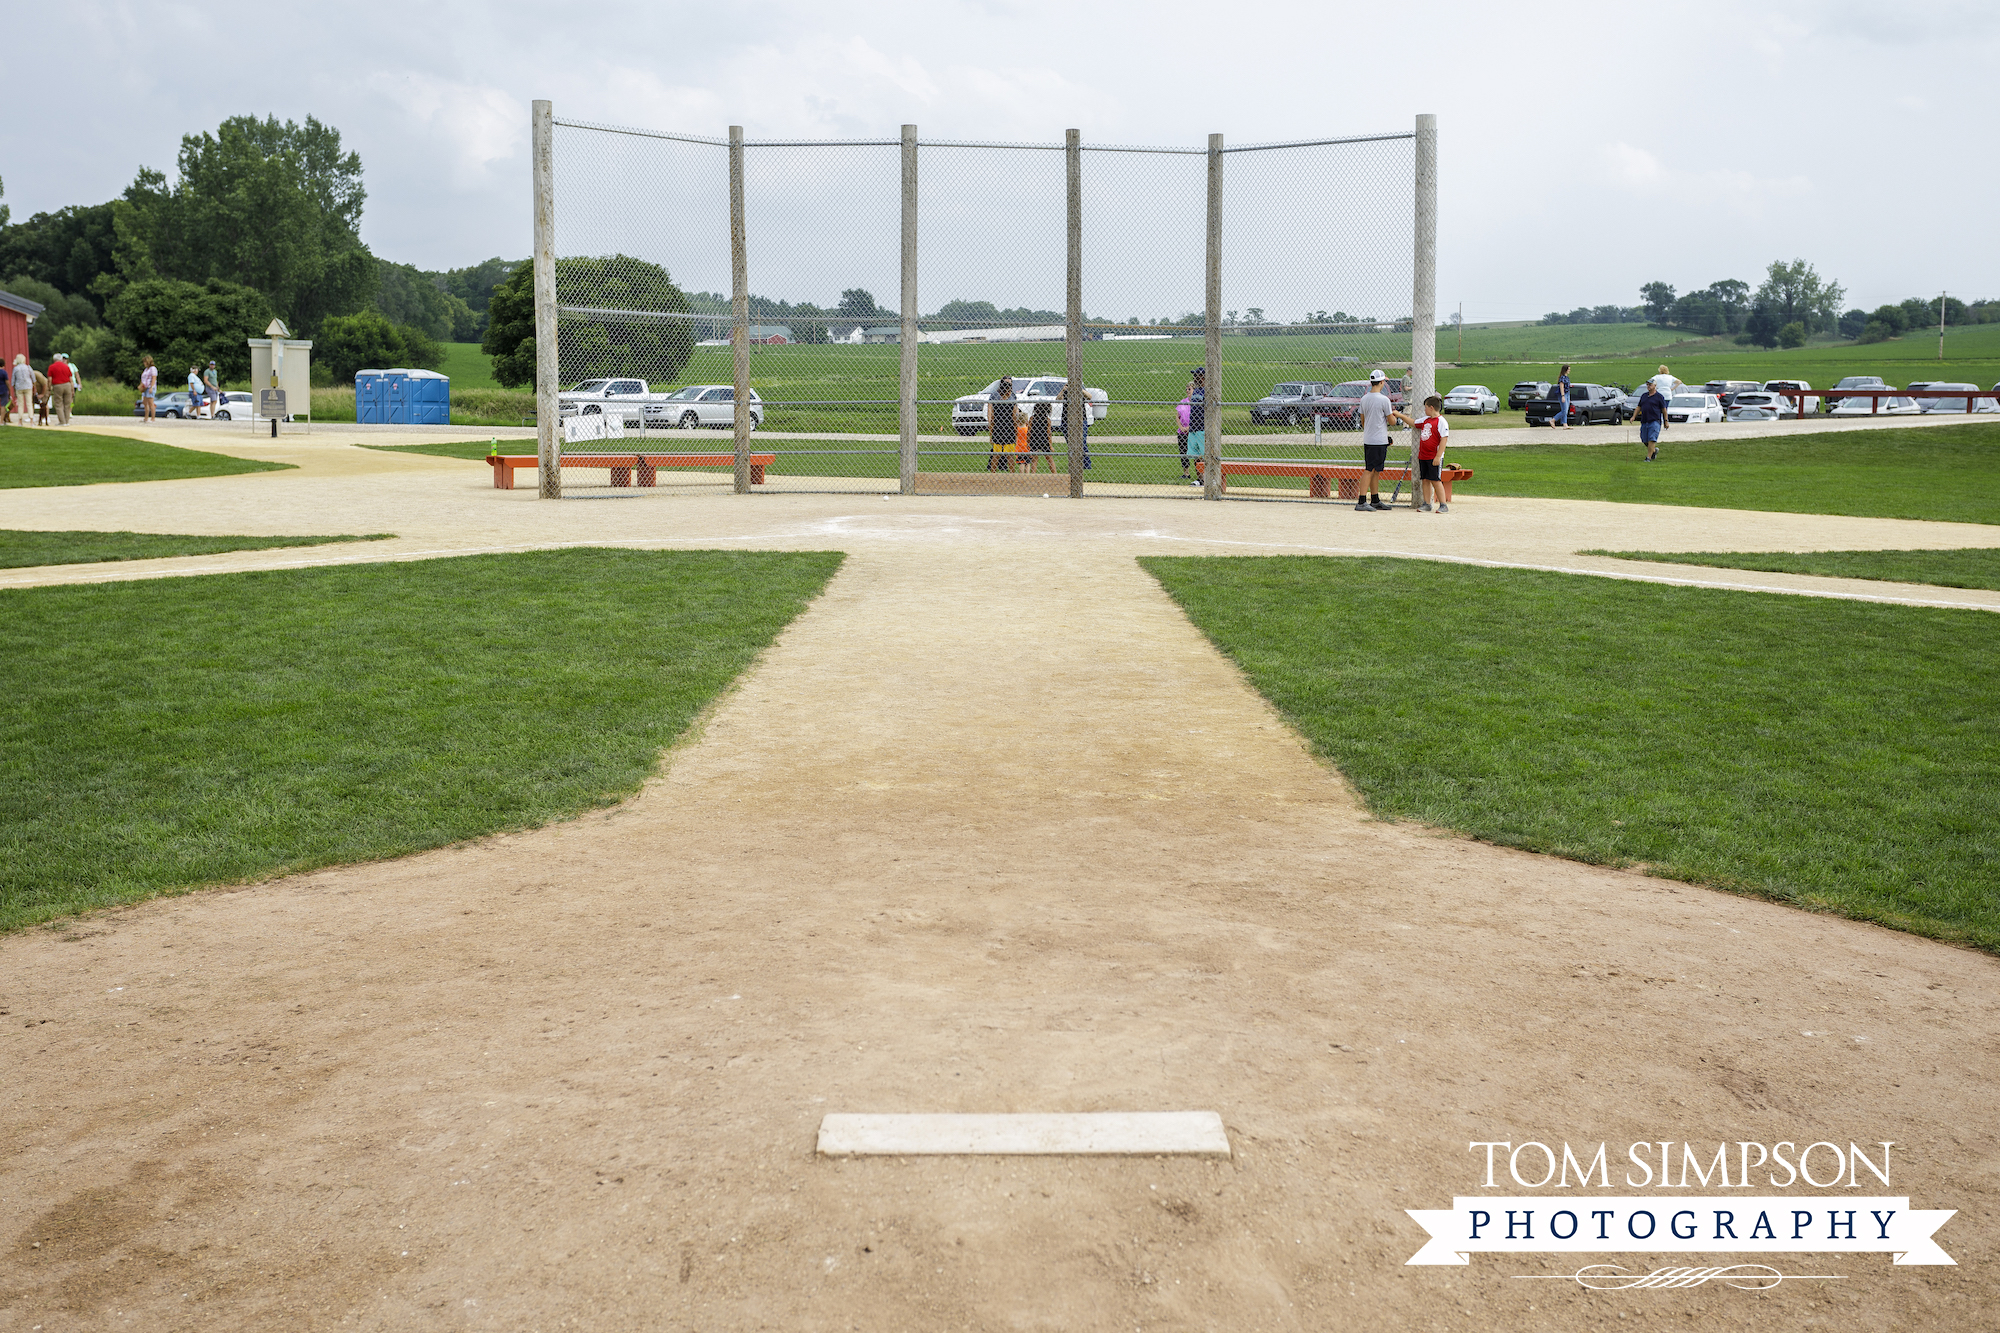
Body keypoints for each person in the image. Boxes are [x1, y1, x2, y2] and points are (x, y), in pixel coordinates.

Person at [1354, 369, 1412, 511]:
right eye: (1384, 381)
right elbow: (1392, 421)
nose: (1384, 383)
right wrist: (1396, 414)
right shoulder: (1384, 400)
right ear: (1380, 382)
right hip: (1378, 440)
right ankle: (1361, 501)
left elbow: (1363, 421)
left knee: (1375, 470)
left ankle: (1375, 499)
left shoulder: (1364, 399)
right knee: (1370, 470)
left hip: (1369, 439)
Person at [1415, 394, 1451, 511]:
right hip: (1423, 456)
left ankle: (1443, 505)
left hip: (1433, 456)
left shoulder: (1441, 421)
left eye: (1425, 407)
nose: (1424, 410)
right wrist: (1400, 415)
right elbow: (1413, 423)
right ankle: (1427, 503)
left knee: (1435, 480)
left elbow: (1443, 440)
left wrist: (1438, 456)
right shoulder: (1426, 420)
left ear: (1431, 408)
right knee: (1425, 480)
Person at [986, 377, 1018, 472]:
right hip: (1009, 430)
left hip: (997, 430)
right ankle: (1012, 473)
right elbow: (1014, 418)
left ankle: (993, 472)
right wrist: (1016, 432)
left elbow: (992, 419)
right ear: (1008, 390)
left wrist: (991, 434)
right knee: (1010, 455)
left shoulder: (996, 402)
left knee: (996, 454)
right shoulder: (1011, 402)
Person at [1636, 379, 1668, 461]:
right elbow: (1639, 407)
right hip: (1644, 420)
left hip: (1655, 421)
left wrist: (1666, 421)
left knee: (1652, 439)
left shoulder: (1659, 397)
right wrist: (1633, 417)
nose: (1648, 386)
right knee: (1644, 439)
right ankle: (1654, 450)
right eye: (1647, 384)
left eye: (1650, 384)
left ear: (1654, 386)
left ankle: (1648, 458)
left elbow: (1664, 410)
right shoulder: (1644, 396)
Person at [1186, 368, 1207, 487]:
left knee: (1204, 455)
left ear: (1203, 377)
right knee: (1195, 455)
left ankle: (1209, 478)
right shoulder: (1196, 391)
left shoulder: (1207, 391)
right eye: (1194, 376)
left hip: (1202, 427)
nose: (1195, 378)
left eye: (1197, 376)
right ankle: (1200, 479)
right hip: (1193, 428)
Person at [46, 354, 76, 425]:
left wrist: (49, 388)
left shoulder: (51, 367)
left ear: (54, 359)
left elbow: (50, 379)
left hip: (57, 385)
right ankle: (67, 421)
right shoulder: (66, 366)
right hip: (67, 385)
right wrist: (72, 389)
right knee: (67, 404)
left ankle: (62, 422)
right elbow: (71, 379)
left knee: (58, 403)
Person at [1025, 400, 1055, 472]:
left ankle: (1033, 475)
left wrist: (1028, 441)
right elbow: (1049, 433)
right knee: (1049, 459)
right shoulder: (1047, 420)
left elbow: (1029, 431)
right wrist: (1050, 445)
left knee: (1034, 460)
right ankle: (1055, 474)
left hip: (1034, 440)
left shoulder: (1032, 418)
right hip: (1044, 440)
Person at [10, 354, 35, 427]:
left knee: (20, 404)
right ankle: (31, 421)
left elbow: (13, 381)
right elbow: (33, 378)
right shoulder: (28, 367)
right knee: (29, 403)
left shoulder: (16, 369)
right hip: (28, 386)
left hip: (19, 387)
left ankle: (20, 421)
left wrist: (14, 389)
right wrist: (34, 386)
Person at [1175, 393, 1193, 480]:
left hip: (1193, 432)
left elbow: (1199, 418)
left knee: (1197, 453)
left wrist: (1189, 428)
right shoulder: (1183, 402)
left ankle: (1200, 474)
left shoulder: (1197, 402)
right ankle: (1186, 473)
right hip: (1182, 432)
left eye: (1190, 389)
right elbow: (1177, 417)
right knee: (1183, 452)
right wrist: (1181, 428)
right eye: (1187, 389)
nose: (1187, 391)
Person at [1552, 363, 1572, 429]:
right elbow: (1561, 386)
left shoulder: (1567, 377)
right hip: (1563, 394)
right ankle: (1553, 420)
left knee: (1565, 409)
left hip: (1567, 394)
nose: (1569, 370)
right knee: (1564, 411)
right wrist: (1563, 396)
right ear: (1565, 370)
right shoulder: (1562, 378)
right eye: (1568, 369)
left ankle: (1565, 424)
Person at [139, 356, 158, 422]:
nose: (144, 363)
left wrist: (151, 387)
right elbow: (143, 379)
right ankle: (146, 418)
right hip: (145, 387)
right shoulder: (146, 369)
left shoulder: (153, 368)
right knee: (145, 402)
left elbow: (154, 378)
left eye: (145, 362)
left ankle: (153, 418)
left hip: (150, 387)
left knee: (151, 403)